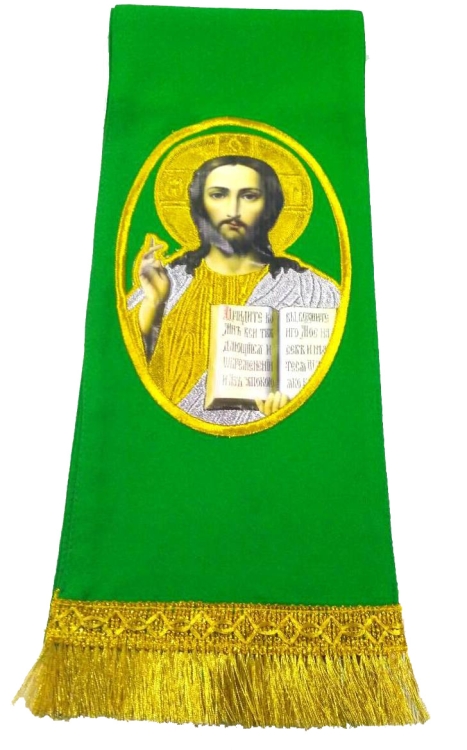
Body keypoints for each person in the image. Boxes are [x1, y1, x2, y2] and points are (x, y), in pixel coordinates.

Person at [137, 156, 340, 426]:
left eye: (249, 196)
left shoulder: (310, 291)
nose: (233, 210)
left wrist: (292, 408)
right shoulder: (168, 280)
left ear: (269, 206)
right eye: (218, 195)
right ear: (200, 204)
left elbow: (336, 382)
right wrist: (154, 304)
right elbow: (123, 374)